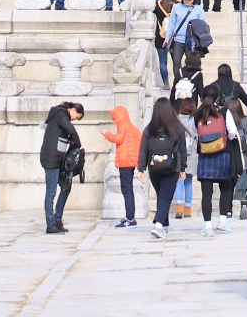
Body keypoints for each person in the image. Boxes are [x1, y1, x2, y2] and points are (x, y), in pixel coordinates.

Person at [193, 88, 238, 234]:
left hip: (205, 155)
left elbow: (195, 134)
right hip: (222, 153)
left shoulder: (198, 114)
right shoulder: (224, 112)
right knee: (225, 188)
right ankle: (222, 221)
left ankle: (207, 226)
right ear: (218, 97)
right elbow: (232, 132)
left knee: (207, 193)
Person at [141, 96, 186, 237]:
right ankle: (159, 224)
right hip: (172, 167)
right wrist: (183, 168)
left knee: (162, 195)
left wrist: (141, 168)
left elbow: (143, 148)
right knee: (165, 197)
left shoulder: (150, 129)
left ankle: (164, 225)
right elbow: (182, 149)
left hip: (154, 167)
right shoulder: (177, 127)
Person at [38, 99, 85, 234]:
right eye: (77, 117)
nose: (75, 120)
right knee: (51, 191)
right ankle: (50, 224)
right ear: (73, 110)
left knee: (65, 187)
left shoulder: (61, 117)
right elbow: (71, 130)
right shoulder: (60, 114)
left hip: (57, 160)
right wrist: (77, 143)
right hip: (51, 159)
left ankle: (57, 219)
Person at [100, 99, 142, 227]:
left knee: (127, 190)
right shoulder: (131, 126)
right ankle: (130, 216)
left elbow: (118, 139)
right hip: (130, 162)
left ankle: (130, 218)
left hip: (125, 162)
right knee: (128, 189)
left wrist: (106, 134)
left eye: (114, 118)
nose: (114, 121)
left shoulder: (122, 125)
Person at [165, 0, 202, 86]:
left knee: (192, 63)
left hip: (191, 40)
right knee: (176, 61)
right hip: (178, 39)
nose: (187, 1)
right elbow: (172, 24)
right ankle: (178, 81)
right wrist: (167, 38)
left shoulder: (198, 9)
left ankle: (191, 81)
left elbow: (202, 25)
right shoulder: (177, 7)